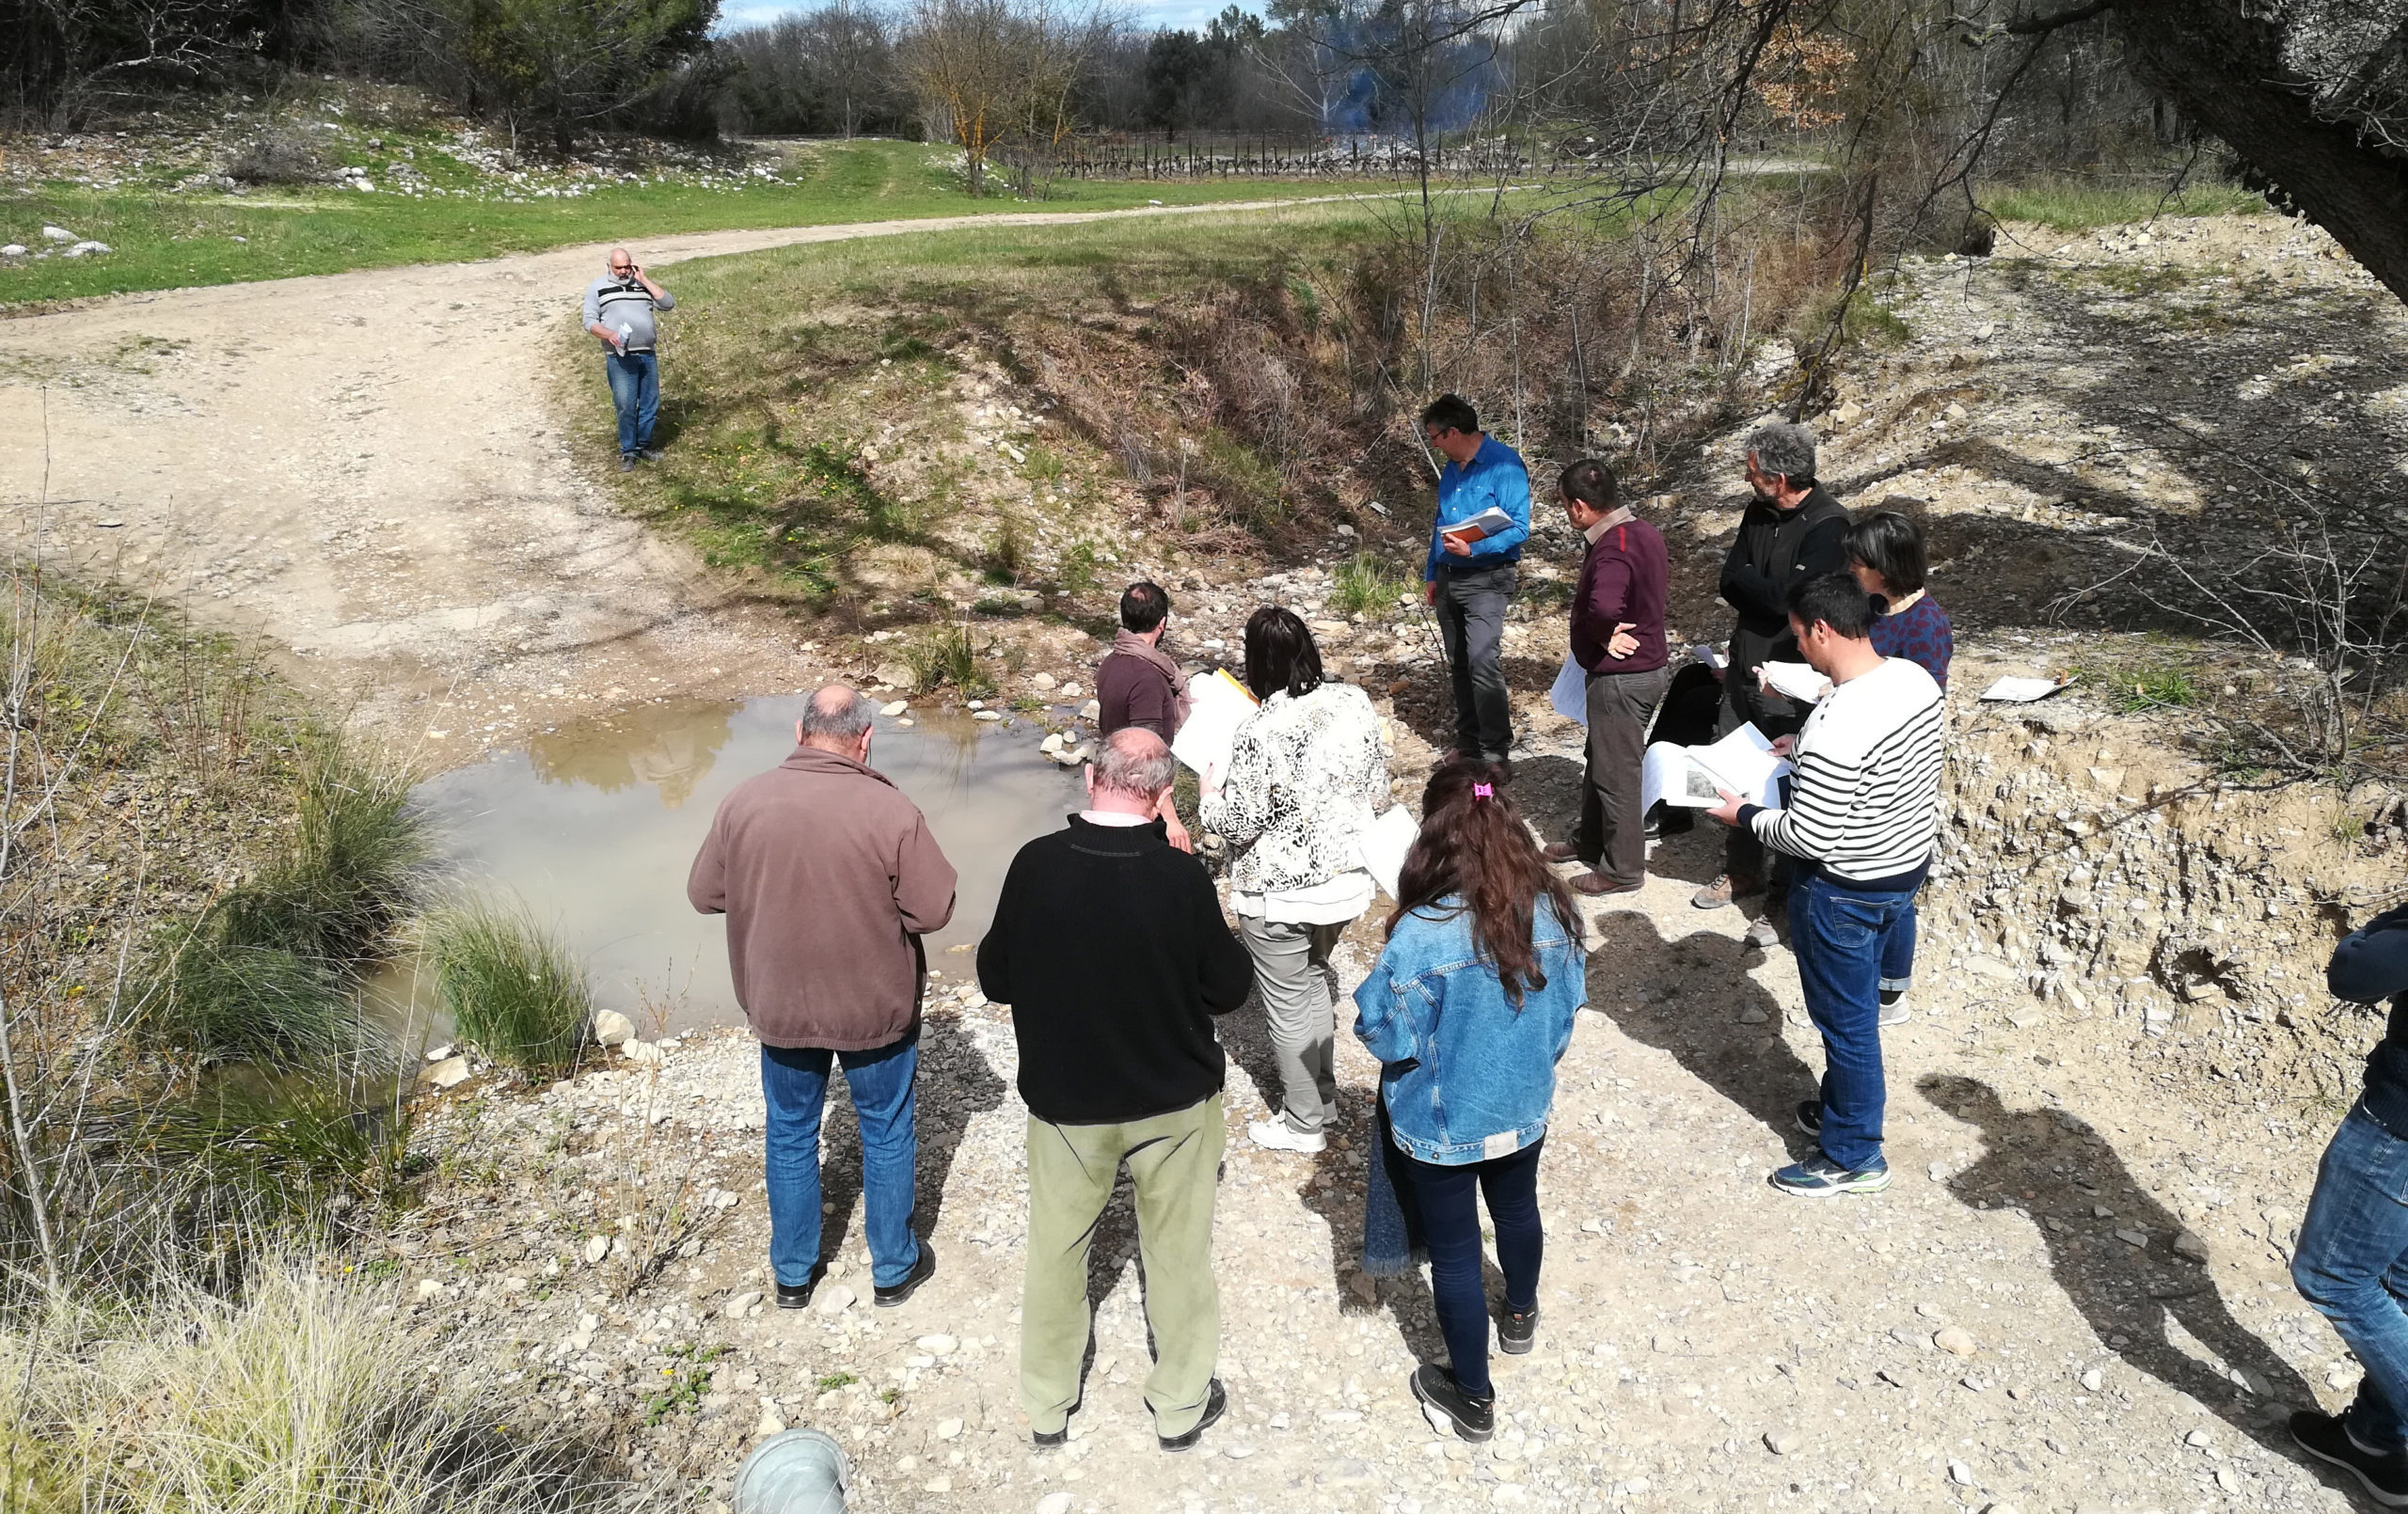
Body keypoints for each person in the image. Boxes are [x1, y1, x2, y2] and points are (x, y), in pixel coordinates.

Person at [978, 729, 1254, 1455]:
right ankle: (1178, 1405)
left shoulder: (1035, 865)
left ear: (1090, 777)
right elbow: (1229, 990)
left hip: (1067, 1103)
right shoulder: (1180, 879)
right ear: (1163, 795)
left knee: (1057, 1252)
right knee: (1178, 1255)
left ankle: (1047, 1404)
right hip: (1173, 1101)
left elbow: (994, 978)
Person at [687, 685, 954, 1309]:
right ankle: (892, 1269)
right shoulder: (890, 810)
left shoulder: (743, 801)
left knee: (789, 1131)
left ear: (800, 733)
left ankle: (793, 1275)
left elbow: (704, 894)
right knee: (885, 1131)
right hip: (873, 1008)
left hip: (779, 1003)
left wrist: (766, 886)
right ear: (865, 741)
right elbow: (935, 909)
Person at [1353, 762, 1586, 1443]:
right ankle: (1519, 1314)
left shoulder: (1421, 931)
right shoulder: (1553, 910)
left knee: (1455, 1256)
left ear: (1431, 836)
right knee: (1517, 1207)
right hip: (1522, 1107)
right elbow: (1567, 1014)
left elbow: (1382, 1032)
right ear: (1510, 825)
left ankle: (1473, 1397)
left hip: (1439, 1121)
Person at [1705, 574, 1941, 1197]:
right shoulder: (1912, 679)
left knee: (1849, 1025)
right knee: (1857, 1013)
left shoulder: (1841, 721)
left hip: (1844, 888)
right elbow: (1878, 769)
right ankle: (1844, 1111)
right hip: (1901, 867)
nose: (1798, 651)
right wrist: (1801, 751)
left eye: (1799, 638)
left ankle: (1853, 1154)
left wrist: (1743, 817)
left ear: (1822, 629)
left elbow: (1809, 837)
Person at [1200, 607, 1390, 1156]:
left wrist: (1210, 796)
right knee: (1313, 981)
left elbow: (1241, 821)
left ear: (1255, 663)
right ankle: (1322, 1097)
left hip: (1280, 892)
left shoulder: (1258, 728)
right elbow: (1378, 784)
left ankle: (1304, 1123)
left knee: (1286, 1003)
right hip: (1347, 883)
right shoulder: (1354, 700)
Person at [1695, 419, 1848, 913]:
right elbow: (1728, 581)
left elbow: (1793, 601)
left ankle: (1783, 896)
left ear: (1778, 479)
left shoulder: (1830, 526)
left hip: (1789, 676)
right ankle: (1741, 872)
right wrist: (1766, 592)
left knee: (1786, 782)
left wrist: (1757, 587)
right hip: (1743, 661)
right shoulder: (1757, 512)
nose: (1747, 479)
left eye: (1752, 470)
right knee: (1732, 770)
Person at [2290, 899, 2408, 1506]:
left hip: (2400, 1134)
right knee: (2399, 1281)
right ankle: (2374, 1443)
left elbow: (2357, 973)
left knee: (2332, 1276)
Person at [1541, 458, 1669, 898]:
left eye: (1564, 506)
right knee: (1602, 759)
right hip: (1643, 670)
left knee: (1617, 775)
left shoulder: (1612, 545)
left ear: (1579, 507)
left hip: (1622, 678)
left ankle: (1623, 869)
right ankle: (1591, 841)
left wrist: (1601, 633)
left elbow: (1604, 606)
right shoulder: (1643, 531)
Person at [1847, 509, 1953, 1025]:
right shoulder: (1874, 606)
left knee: (1893, 892)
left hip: (1895, 766)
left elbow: (1924, 700)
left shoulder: (1926, 624)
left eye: (1859, 561)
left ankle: (1891, 990)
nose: (1852, 568)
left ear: (1885, 566)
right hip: (1858, 752)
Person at [1419, 394, 1531, 768]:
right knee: (1460, 664)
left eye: (1434, 436)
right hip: (1449, 577)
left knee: (1483, 661)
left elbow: (1519, 527)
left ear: (1452, 432)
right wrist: (1432, 572)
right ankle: (1468, 744)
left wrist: (1477, 550)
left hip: (1488, 578)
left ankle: (1496, 752)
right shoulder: (1451, 469)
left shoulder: (1505, 464)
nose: (1433, 444)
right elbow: (1440, 522)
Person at [1095, 580, 1192, 849]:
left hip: (1111, 789)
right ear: (1162, 623)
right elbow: (1147, 755)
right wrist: (1171, 819)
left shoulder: (1111, 662)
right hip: (1140, 801)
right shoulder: (1147, 678)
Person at [582, 247, 675, 473]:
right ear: (609, 267)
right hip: (620, 356)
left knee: (650, 404)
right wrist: (609, 335)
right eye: (618, 267)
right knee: (625, 405)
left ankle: (644, 445)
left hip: (647, 353)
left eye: (627, 266)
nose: (623, 271)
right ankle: (628, 451)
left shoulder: (641, 285)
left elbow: (668, 303)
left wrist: (644, 279)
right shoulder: (598, 288)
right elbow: (589, 321)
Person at [1848, 511, 1953, 688]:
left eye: (1857, 564)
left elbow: (1927, 693)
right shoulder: (1877, 604)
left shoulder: (1924, 624)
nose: (1851, 569)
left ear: (1882, 569)